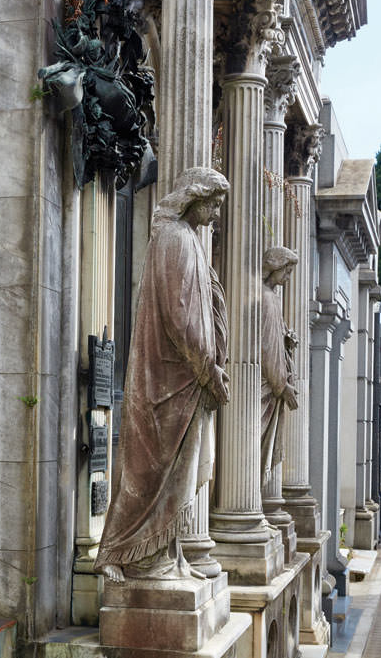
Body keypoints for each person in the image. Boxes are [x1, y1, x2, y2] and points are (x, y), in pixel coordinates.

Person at [95, 167, 230, 583]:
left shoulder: (186, 238)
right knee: (152, 474)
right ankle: (136, 558)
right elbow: (180, 316)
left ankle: (171, 557)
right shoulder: (175, 239)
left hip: (184, 381)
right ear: (195, 197)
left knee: (176, 479)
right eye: (214, 203)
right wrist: (208, 368)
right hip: (169, 380)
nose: (217, 213)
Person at [260, 247, 299, 488]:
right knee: (257, 449)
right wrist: (282, 385)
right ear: (275, 266)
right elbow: (268, 348)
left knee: (262, 450)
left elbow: (276, 340)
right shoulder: (265, 298)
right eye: (287, 271)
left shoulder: (272, 298)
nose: (287, 277)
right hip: (267, 387)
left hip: (272, 387)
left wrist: (287, 340)